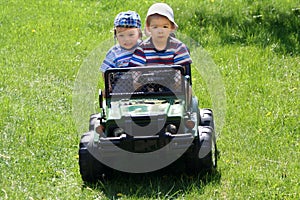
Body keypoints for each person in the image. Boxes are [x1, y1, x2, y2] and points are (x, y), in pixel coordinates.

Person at [128, 3, 192, 77]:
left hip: (172, 84)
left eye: (165, 26)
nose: (160, 31)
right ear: (148, 28)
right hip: (149, 85)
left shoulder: (178, 47)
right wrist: (138, 82)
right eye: (155, 27)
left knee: (186, 85)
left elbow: (180, 73)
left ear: (172, 27)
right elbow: (136, 71)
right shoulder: (143, 48)